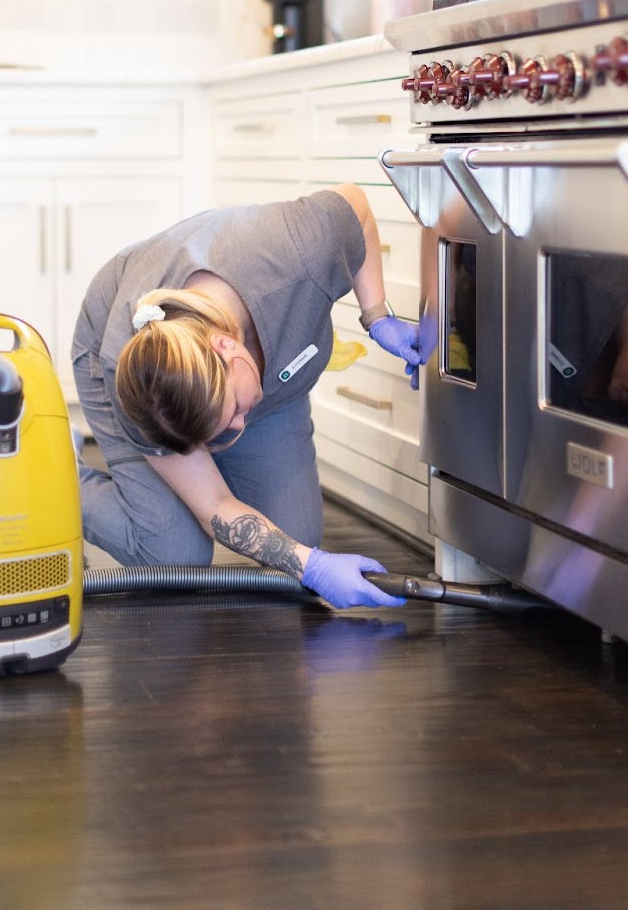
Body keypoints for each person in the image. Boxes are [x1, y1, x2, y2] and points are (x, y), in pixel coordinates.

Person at [70, 185, 422, 610]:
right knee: (173, 556)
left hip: (265, 375)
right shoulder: (144, 389)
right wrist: (312, 569)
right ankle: (57, 478)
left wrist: (378, 315)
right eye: (219, 430)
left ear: (225, 346)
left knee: (296, 539)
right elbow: (213, 504)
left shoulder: (299, 247)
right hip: (115, 345)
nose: (238, 429)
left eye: (233, 412)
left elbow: (357, 206)